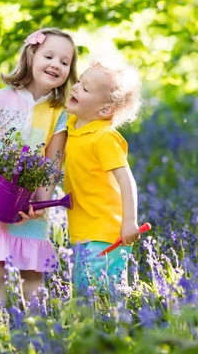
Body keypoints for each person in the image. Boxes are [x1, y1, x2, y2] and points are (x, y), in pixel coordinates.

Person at [0, 27, 78, 307]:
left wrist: (41, 202)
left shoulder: (58, 113)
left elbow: (53, 162)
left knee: (33, 272)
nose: (56, 65)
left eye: (64, 62)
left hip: (30, 204)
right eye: (49, 56)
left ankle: (38, 336)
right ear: (31, 55)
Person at [63, 57, 142, 292]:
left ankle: (114, 327)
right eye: (78, 82)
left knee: (101, 298)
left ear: (105, 109)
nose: (75, 87)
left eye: (85, 88)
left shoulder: (104, 137)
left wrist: (129, 221)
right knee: (86, 294)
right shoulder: (74, 125)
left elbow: (126, 180)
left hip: (106, 231)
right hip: (83, 230)